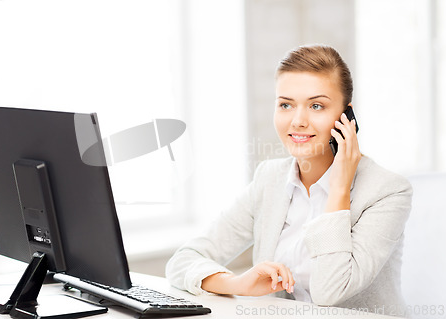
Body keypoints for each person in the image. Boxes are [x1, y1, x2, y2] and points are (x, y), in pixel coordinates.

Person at [165, 45, 413, 317]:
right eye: (286, 104)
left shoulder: (387, 191)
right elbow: (183, 260)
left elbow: (331, 292)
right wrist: (238, 283)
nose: (298, 121)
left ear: (347, 118)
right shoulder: (269, 179)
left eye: (316, 105)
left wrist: (339, 188)